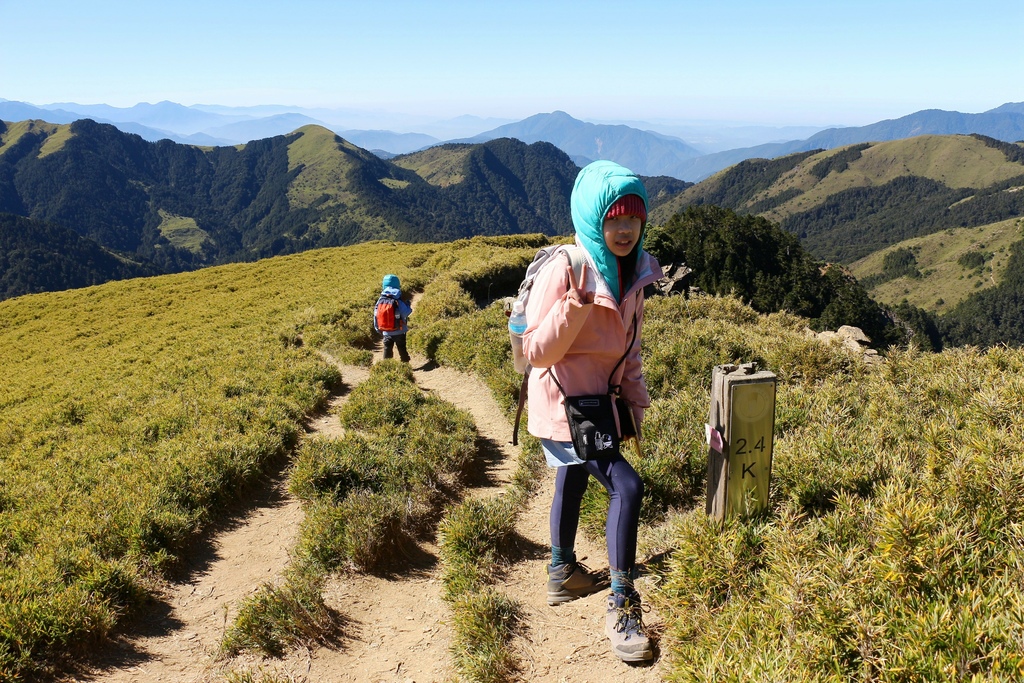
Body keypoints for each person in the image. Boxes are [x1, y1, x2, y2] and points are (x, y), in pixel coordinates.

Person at [521, 160, 661, 662]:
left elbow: (631, 352)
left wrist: (635, 406)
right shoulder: (568, 267)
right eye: (613, 219)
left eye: (633, 220)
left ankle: (562, 572)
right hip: (562, 402)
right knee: (627, 486)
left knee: (575, 476)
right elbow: (536, 351)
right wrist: (574, 305)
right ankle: (621, 604)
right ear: (591, 221)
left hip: (598, 404)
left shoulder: (636, 272)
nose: (624, 230)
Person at [374, 274, 413, 362]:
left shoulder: (380, 300)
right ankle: (405, 363)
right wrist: (408, 305)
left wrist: (377, 328)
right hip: (400, 330)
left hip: (386, 332)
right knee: (402, 347)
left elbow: (376, 315)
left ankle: (387, 365)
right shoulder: (397, 300)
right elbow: (406, 312)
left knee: (387, 348)